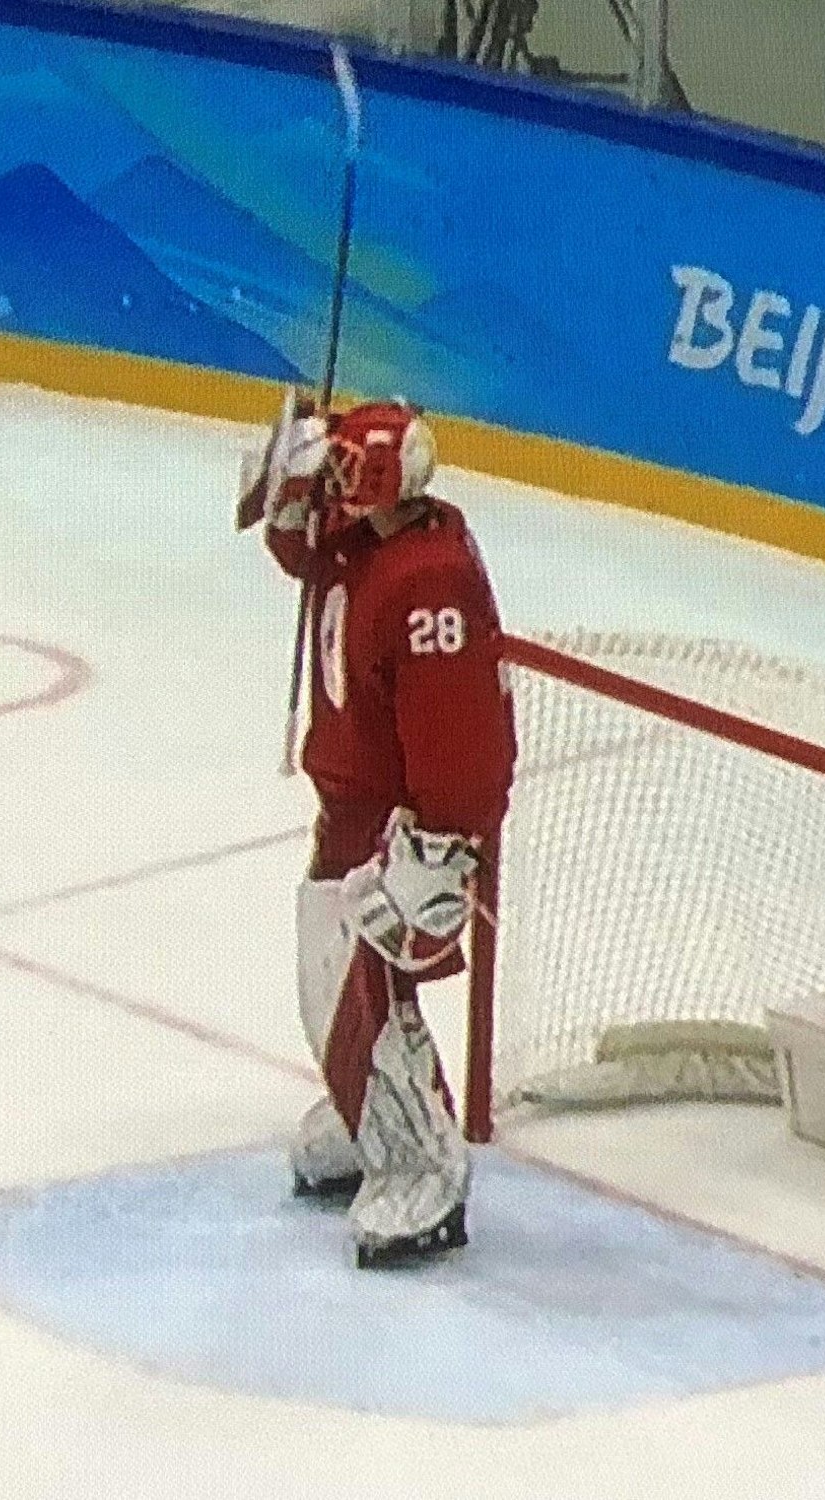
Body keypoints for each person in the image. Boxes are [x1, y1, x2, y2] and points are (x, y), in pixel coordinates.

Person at [238, 393, 518, 1268]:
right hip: (348, 805)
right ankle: (369, 1117)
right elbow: (301, 555)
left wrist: (443, 845)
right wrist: (286, 495)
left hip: (400, 824)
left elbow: (461, 737)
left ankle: (421, 1167)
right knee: (325, 980)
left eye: (346, 470)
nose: (335, 481)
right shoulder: (366, 540)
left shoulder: (428, 579)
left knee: (370, 991)